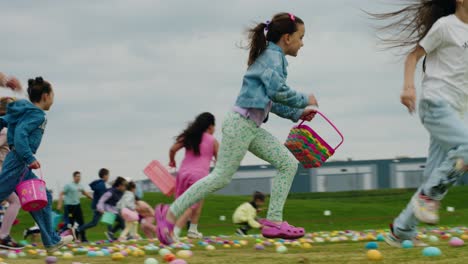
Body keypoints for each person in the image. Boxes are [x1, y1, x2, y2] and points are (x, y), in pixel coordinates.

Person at [155, 12, 318, 244]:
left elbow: (270, 101)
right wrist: (305, 99)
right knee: (221, 177)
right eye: (301, 37)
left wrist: (297, 113)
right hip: (241, 124)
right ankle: (168, 216)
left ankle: (273, 221)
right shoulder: (272, 58)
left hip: (249, 126)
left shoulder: (275, 59)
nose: (303, 43)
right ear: (287, 38)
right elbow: (277, 92)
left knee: (288, 163)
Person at [371, 0, 468, 247]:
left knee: (434, 172)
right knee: (466, 149)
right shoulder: (445, 26)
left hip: (455, 113)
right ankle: (429, 198)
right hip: (436, 104)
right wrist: (408, 87)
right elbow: (413, 56)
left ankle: (402, 230)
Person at [0, 77, 73, 252]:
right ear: (46, 96)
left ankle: (51, 241)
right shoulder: (37, 114)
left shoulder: (26, 109)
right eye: (53, 94)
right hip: (18, 160)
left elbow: (6, 120)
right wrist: (29, 158)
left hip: (19, 163)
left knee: (43, 197)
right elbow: (20, 136)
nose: (53, 98)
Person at [169, 112, 218, 239]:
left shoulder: (190, 136)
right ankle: (175, 231)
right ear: (210, 126)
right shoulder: (213, 141)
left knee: (188, 202)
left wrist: (172, 161)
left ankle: (193, 229)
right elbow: (220, 161)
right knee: (191, 204)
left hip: (183, 173)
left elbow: (173, 149)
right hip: (200, 175)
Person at [75, 168, 110, 242]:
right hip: (98, 207)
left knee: (102, 220)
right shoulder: (101, 185)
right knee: (97, 222)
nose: (108, 177)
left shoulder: (100, 184)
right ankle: (78, 229)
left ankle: (111, 233)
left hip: (97, 206)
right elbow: (102, 198)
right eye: (108, 175)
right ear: (104, 176)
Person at [57, 171, 92, 241]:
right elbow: (61, 193)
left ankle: (83, 239)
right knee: (69, 224)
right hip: (69, 207)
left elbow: (85, 193)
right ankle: (59, 237)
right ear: (74, 177)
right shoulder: (69, 185)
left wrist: (92, 198)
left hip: (77, 206)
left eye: (79, 176)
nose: (78, 178)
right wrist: (59, 204)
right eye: (77, 176)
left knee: (81, 222)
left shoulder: (80, 185)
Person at [97, 176, 127, 240]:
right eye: (124, 186)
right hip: (106, 208)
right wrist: (101, 209)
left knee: (122, 221)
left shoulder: (121, 192)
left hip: (113, 209)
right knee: (111, 217)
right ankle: (112, 234)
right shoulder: (110, 192)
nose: (125, 187)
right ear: (120, 185)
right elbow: (101, 200)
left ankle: (111, 233)